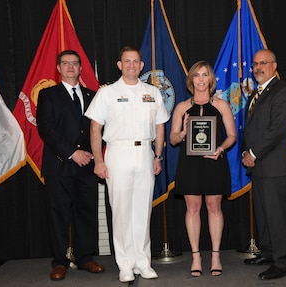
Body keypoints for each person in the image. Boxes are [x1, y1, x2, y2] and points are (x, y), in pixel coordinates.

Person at [85, 46, 169, 283]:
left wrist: (158, 156)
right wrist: (98, 161)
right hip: (117, 153)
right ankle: (124, 264)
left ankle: (143, 262)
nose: (132, 65)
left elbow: (160, 125)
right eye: (127, 61)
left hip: (144, 152)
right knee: (121, 211)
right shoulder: (107, 93)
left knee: (143, 210)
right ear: (119, 65)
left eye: (136, 61)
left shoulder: (153, 92)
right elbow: (95, 128)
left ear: (142, 66)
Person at [37, 50, 105, 281]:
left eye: (74, 64)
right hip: (59, 165)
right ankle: (60, 261)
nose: (70, 67)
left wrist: (92, 155)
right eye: (65, 63)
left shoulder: (93, 94)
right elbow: (46, 128)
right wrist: (72, 153)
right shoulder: (48, 95)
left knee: (86, 213)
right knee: (58, 215)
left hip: (87, 165)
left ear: (80, 68)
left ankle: (85, 257)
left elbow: (99, 128)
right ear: (58, 68)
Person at [170, 61, 237, 277]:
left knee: (214, 206)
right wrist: (183, 132)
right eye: (196, 75)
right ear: (191, 80)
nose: (200, 79)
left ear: (210, 80)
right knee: (193, 208)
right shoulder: (181, 107)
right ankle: (196, 256)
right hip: (189, 163)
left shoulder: (222, 105)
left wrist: (220, 149)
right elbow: (172, 139)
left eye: (204, 75)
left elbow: (232, 136)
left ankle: (216, 255)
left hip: (214, 160)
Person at [241, 49, 286, 280]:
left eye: (263, 63)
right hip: (260, 166)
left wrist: (253, 152)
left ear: (274, 65)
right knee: (264, 214)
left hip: (275, 166)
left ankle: (282, 262)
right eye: (254, 64)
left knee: (277, 216)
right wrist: (247, 151)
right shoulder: (257, 93)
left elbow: (277, 129)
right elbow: (254, 128)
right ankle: (268, 253)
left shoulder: (282, 91)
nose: (257, 67)